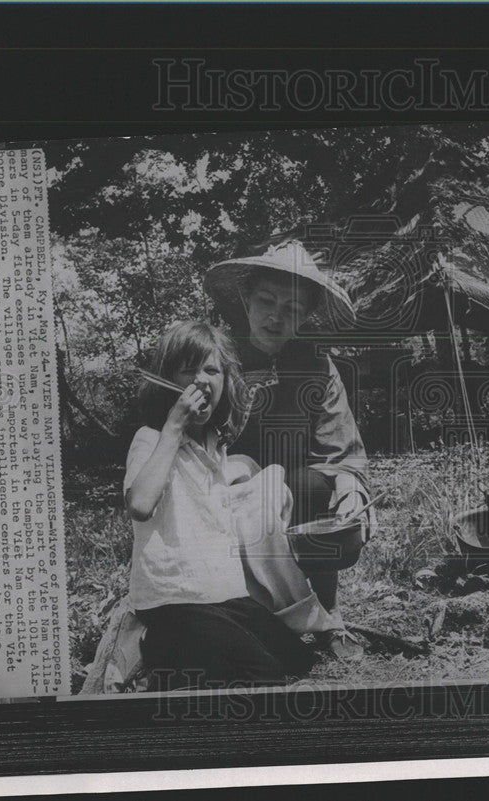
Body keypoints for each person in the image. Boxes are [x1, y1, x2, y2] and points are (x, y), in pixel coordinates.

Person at [124, 320, 338, 690]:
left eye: (211, 370)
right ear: (168, 378)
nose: (201, 380)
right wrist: (174, 428)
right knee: (263, 676)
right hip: (174, 599)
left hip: (221, 596)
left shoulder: (217, 448)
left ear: (225, 380)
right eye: (188, 369)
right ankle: (155, 648)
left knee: (298, 660)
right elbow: (140, 504)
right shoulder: (151, 438)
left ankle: (185, 655)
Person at [203, 241, 372, 659]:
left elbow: (341, 447)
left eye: (293, 309)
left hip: (294, 496)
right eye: (266, 300)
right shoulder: (215, 357)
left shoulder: (317, 366)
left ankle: (329, 614)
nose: (276, 317)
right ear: (246, 299)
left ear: (306, 316)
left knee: (316, 486)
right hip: (222, 489)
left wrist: (350, 487)